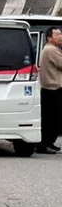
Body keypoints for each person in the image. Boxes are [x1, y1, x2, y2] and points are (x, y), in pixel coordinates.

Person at [40, 26, 62, 154]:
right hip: (53, 88)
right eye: (57, 35)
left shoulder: (50, 49)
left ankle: (49, 143)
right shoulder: (51, 50)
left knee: (52, 118)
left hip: (50, 88)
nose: (60, 37)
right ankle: (45, 144)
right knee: (51, 118)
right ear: (49, 38)